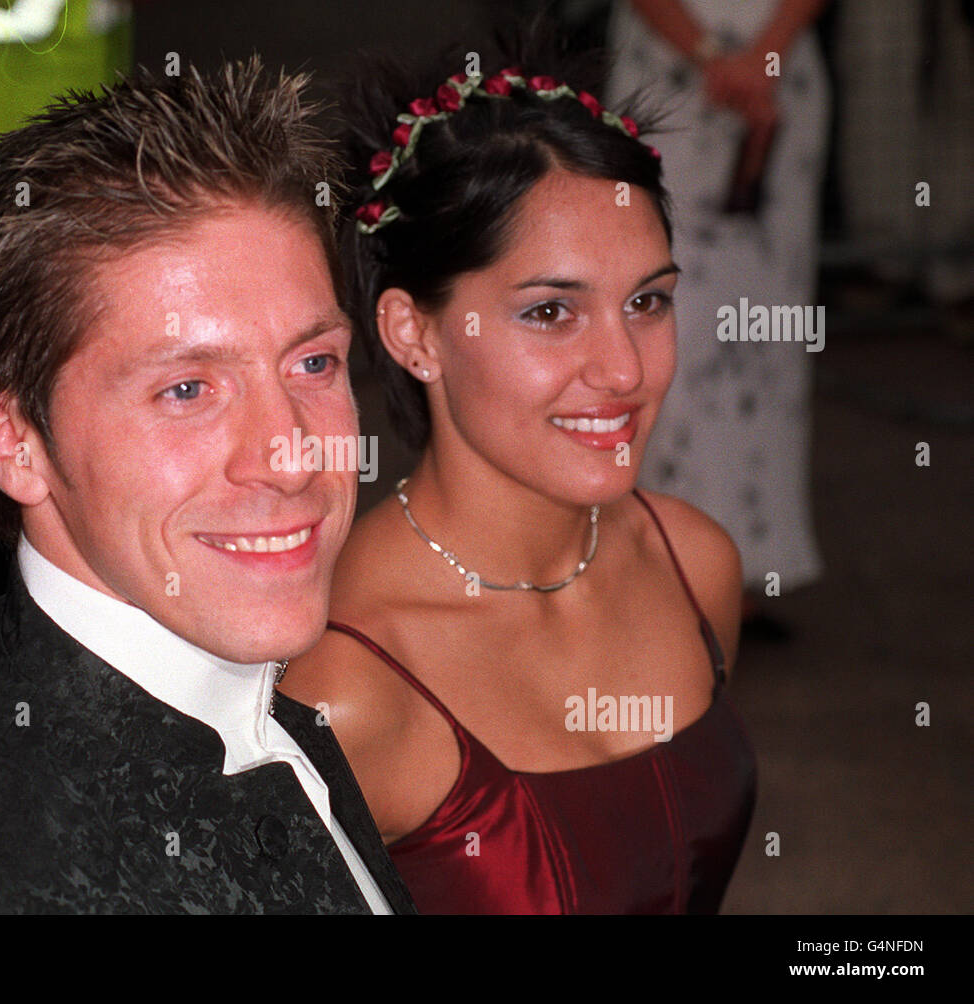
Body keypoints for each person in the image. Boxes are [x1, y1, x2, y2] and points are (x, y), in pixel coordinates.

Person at [0, 59, 416, 915]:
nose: (290, 457)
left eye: (313, 362)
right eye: (186, 390)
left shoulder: (213, 668)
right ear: (13, 440)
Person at [278, 27, 757, 914]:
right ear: (413, 333)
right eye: (550, 312)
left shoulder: (695, 563)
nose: (624, 369)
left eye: (648, 301)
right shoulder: (343, 684)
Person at [603, 0, 831, 634]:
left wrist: (769, 50)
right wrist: (711, 55)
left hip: (778, 77)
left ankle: (743, 568)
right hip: (669, 76)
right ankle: (658, 569)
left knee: (768, 335)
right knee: (667, 323)